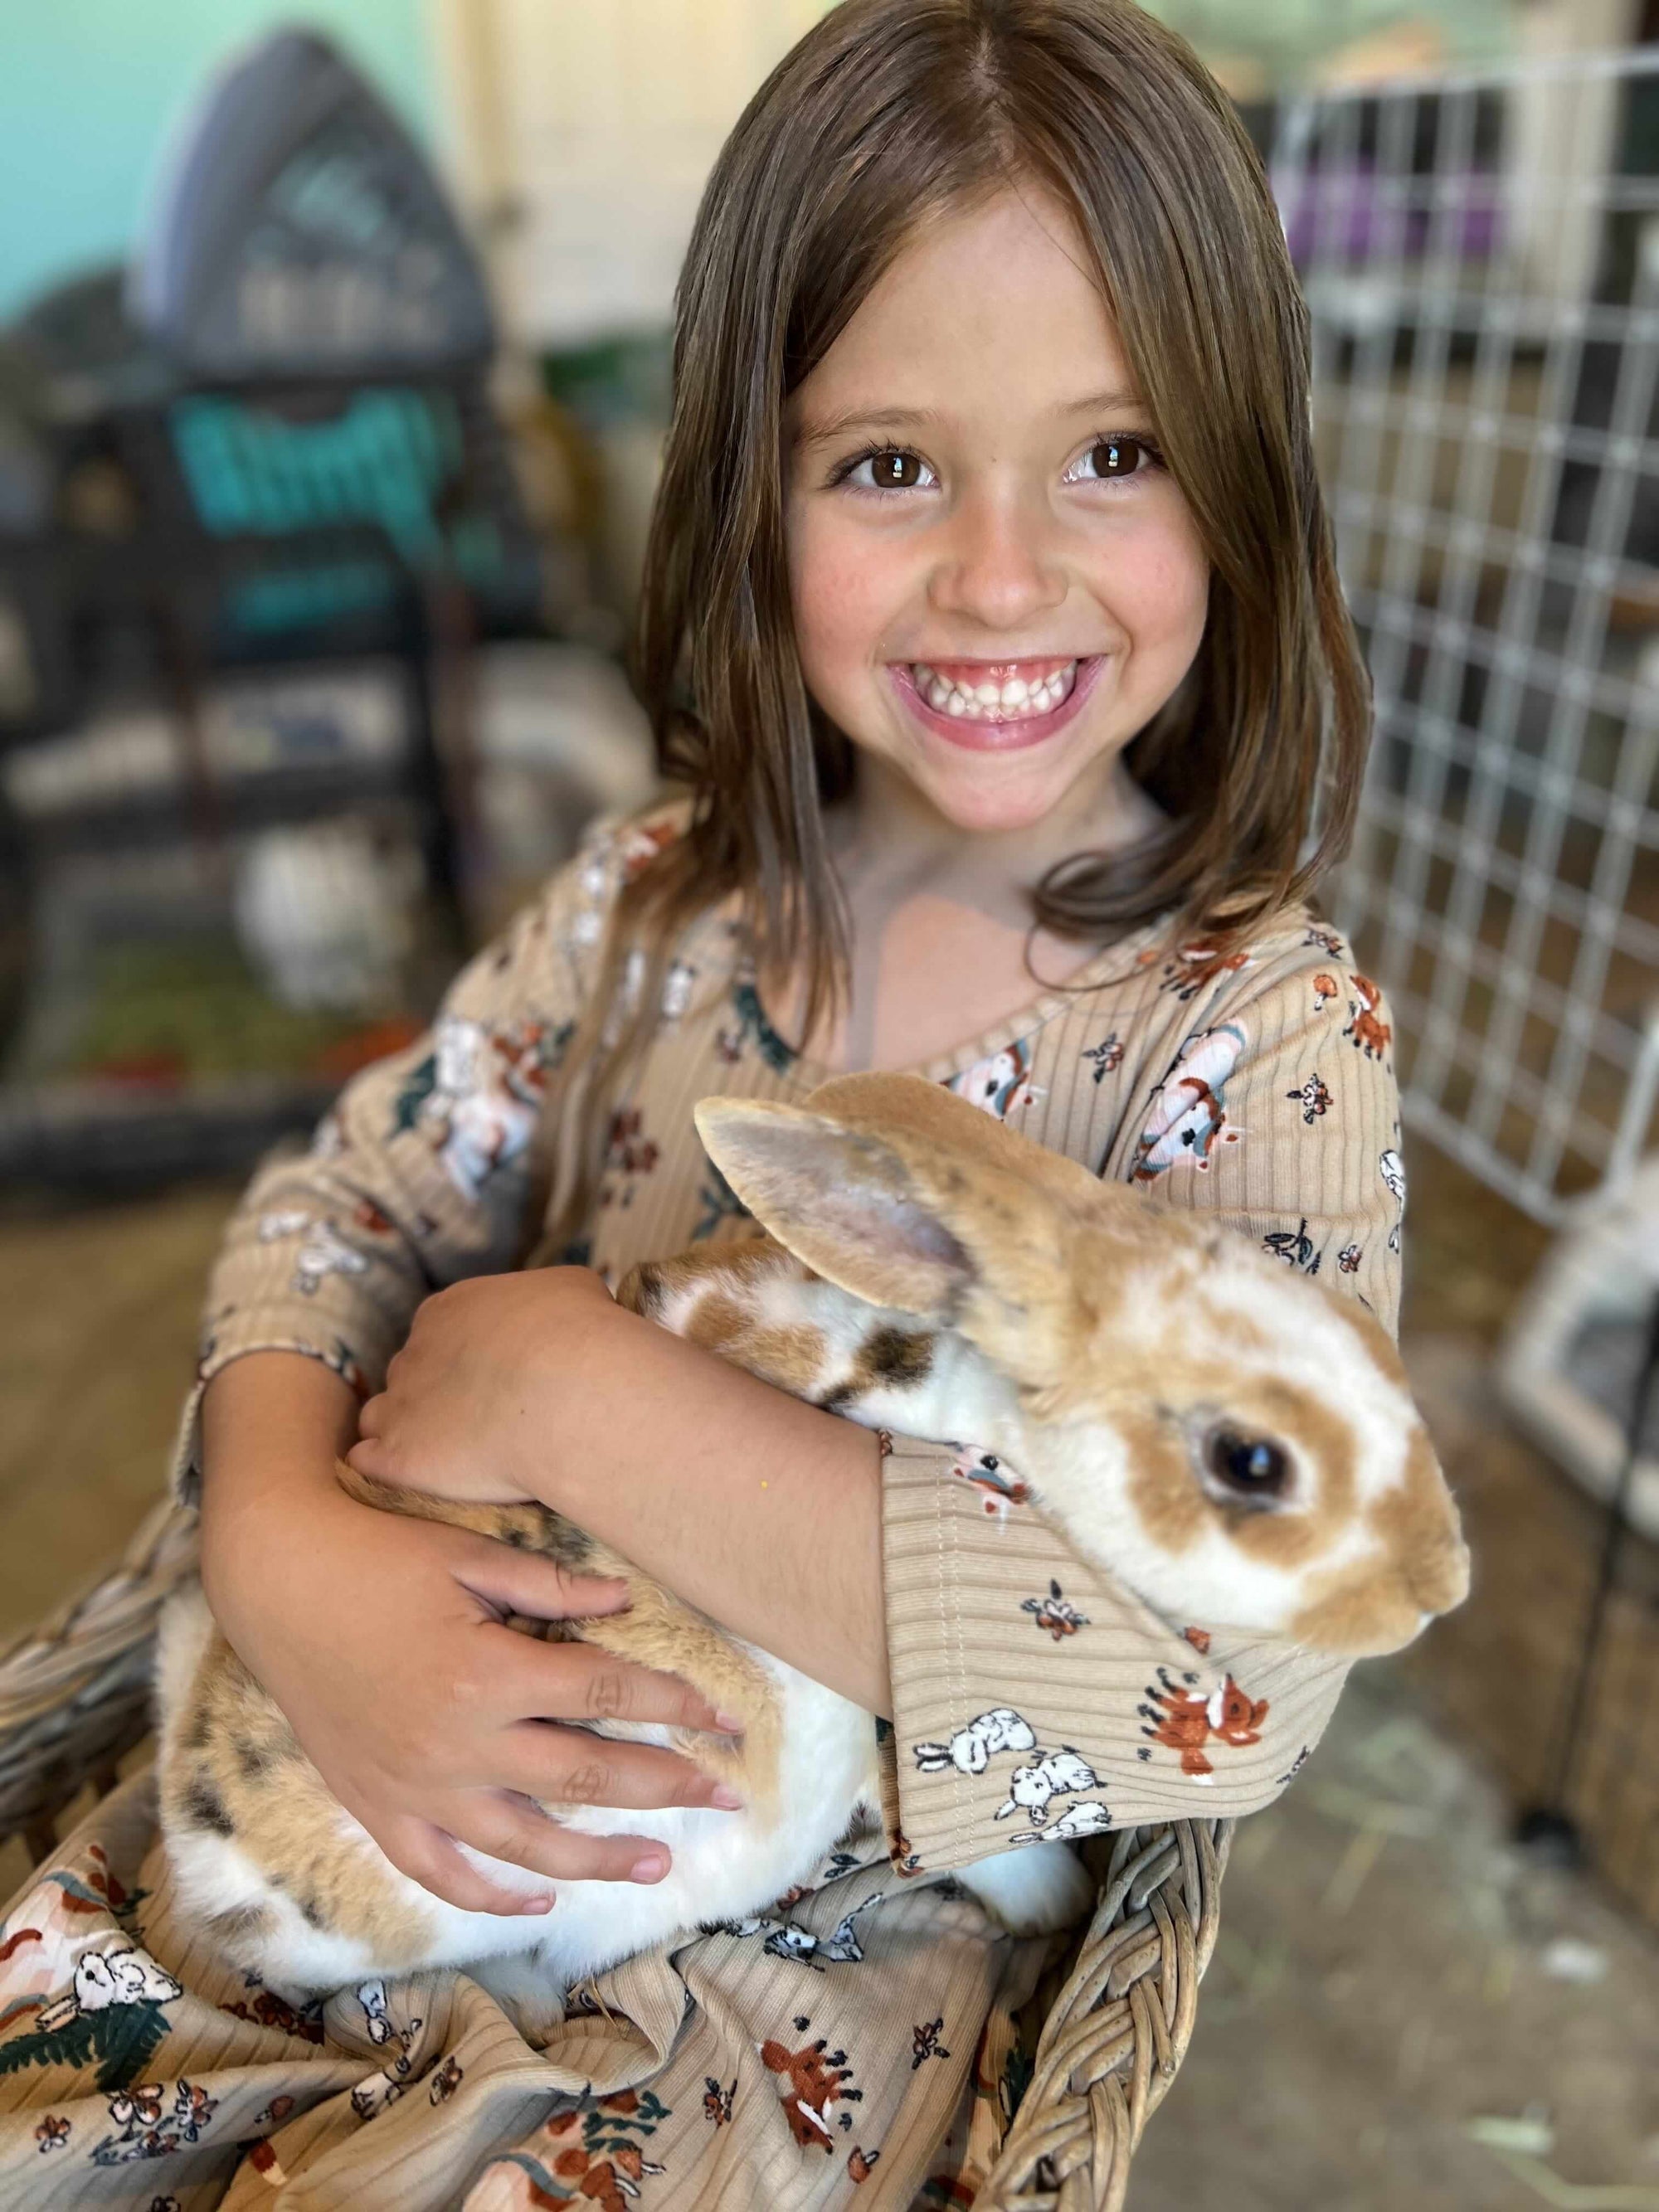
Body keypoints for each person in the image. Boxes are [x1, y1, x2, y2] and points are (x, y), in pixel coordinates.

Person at [0, 2, 1407, 2204]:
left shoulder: (1256, 1038)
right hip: (386, 1742)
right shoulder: (647, 904)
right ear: (753, 487)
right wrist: (284, 1546)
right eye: (890, 465)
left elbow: (1239, 1669)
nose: (1002, 574)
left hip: (813, 1928)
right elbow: (347, 1209)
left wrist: (573, 1395)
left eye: (1115, 451)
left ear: (1240, 468)